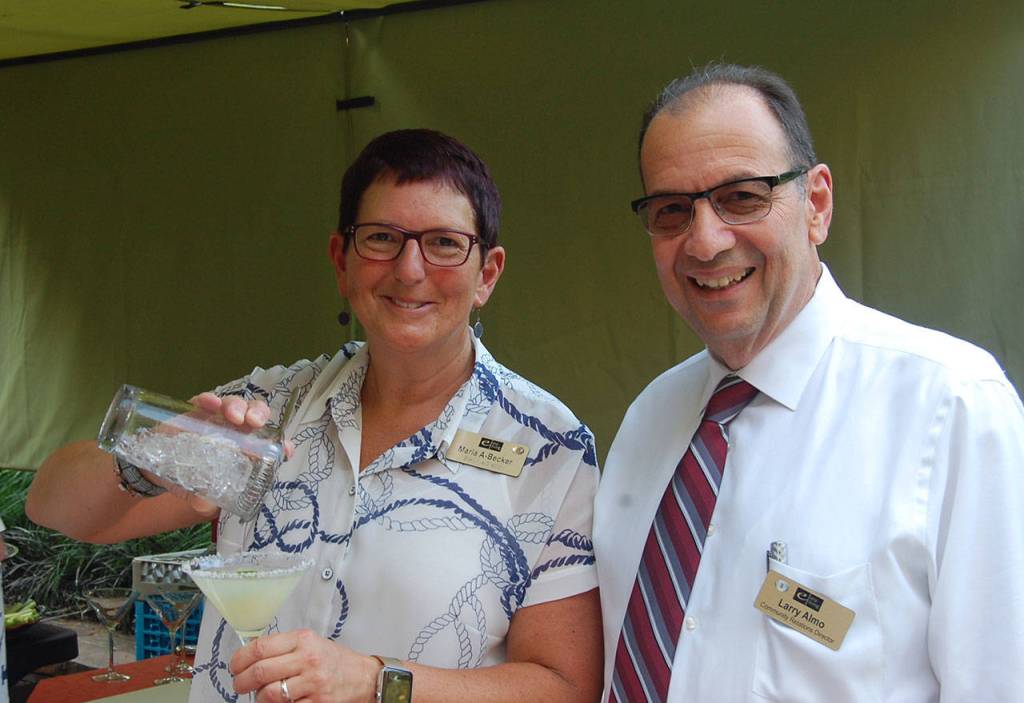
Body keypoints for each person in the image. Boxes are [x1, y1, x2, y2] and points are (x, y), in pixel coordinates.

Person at [27, 129, 603, 703]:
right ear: (341, 261)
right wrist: (155, 460)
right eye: (381, 238)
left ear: (488, 274)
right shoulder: (267, 410)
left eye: (445, 244)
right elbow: (54, 506)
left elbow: (566, 687)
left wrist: (378, 681)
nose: (409, 269)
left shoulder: (549, 447)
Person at [594, 63, 1024, 702]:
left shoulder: (952, 406)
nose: (705, 241)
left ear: (816, 203)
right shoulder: (649, 421)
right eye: (671, 210)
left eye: (743, 196)